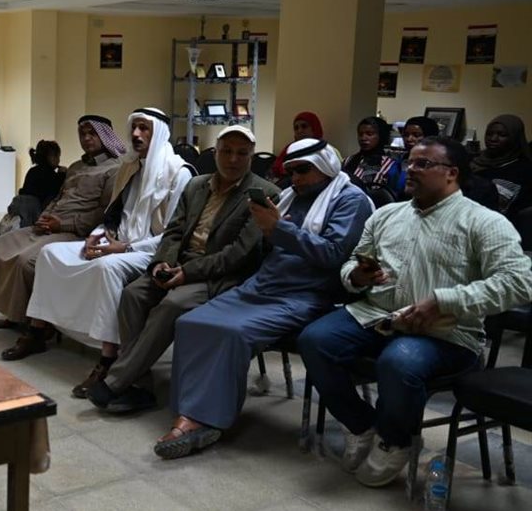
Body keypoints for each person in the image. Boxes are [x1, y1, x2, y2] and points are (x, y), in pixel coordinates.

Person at [298, 136, 532, 487]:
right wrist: (357, 276)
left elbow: (518, 282)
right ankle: (362, 425)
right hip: (377, 314)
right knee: (314, 340)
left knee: (399, 360)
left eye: (423, 164)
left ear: (451, 173)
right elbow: (351, 264)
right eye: (409, 162)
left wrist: (443, 300)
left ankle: (395, 441)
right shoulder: (387, 215)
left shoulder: (484, 222)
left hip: (446, 332)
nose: (410, 169)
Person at [151, 139, 373, 459]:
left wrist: (279, 228)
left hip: (306, 294)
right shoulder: (291, 196)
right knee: (189, 322)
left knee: (231, 332)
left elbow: (334, 254)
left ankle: (204, 420)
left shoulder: (350, 201)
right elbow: (268, 249)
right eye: (291, 172)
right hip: (263, 286)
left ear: (325, 167)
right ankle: (190, 408)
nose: (295, 179)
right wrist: (263, 230)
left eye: (302, 171)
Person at [87, 125, 278, 415]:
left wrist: (187, 273)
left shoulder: (264, 194)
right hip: (179, 264)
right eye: (227, 151)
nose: (233, 159)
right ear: (215, 153)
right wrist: (161, 263)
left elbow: (238, 254)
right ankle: (140, 386)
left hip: (218, 275)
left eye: (242, 153)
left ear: (251, 156)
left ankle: (116, 381)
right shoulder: (197, 185)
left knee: (172, 304)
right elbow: (173, 232)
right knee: (132, 295)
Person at [24, 108, 193, 395]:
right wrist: (97, 235)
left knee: (107, 267)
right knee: (51, 254)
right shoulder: (129, 168)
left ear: (159, 132)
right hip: (118, 241)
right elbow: (114, 215)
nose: (136, 134)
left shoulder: (179, 173)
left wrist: (124, 248)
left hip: (150, 250)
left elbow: (173, 236)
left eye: (144, 128)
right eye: (134, 128)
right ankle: (38, 331)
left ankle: (108, 358)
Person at [0, 115, 124, 357]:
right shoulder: (76, 167)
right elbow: (58, 198)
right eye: (82, 134)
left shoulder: (115, 169)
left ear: (105, 135)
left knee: (26, 261)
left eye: (92, 133)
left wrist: (62, 224)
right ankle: (14, 314)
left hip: (76, 231)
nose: (86, 138)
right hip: (49, 224)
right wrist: (45, 217)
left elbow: (104, 212)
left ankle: (37, 328)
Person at [471, 114, 532, 221]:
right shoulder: (472, 161)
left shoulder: (525, 170)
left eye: (502, 135)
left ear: (515, 138)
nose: (493, 139)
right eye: (489, 134)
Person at [342, 116, 401, 199]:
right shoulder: (348, 161)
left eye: (369, 134)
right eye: (360, 134)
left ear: (381, 136)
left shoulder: (390, 165)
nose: (363, 138)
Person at [271, 111, 324, 180]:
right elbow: (276, 169)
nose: (299, 131)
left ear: (314, 127)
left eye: (304, 126)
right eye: (296, 128)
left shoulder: (324, 150)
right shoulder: (290, 149)